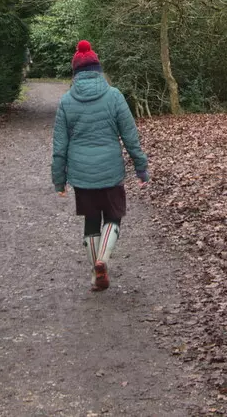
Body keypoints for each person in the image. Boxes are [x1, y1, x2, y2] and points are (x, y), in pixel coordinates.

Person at [51, 40, 149, 291]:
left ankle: (96, 274)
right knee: (113, 216)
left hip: (81, 174)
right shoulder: (114, 96)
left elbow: (59, 146)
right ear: (98, 70)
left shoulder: (66, 102)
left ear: (75, 74)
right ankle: (102, 261)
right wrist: (140, 167)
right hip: (110, 171)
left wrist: (58, 180)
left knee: (91, 220)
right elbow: (130, 135)